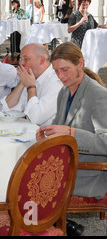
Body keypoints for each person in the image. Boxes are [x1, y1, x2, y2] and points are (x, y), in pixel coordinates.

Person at [36, 42, 107, 209]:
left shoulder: (98, 95)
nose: (60, 76)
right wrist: (46, 136)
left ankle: (44, 226)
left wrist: (71, 132)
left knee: (28, 183)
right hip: (64, 166)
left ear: (80, 63)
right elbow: (58, 128)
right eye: (56, 71)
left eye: (65, 69)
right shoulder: (65, 91)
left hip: (85, 173)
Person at [1, 43, 63, 127]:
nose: (21, 63)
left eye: (26, 59)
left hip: (50, 138)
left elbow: (35, 118)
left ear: (41, 60)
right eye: (21, 59)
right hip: (30, 133)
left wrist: (31, 87)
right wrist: (22, 83)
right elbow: (7, 110)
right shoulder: (30, 77)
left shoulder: (57, 82)